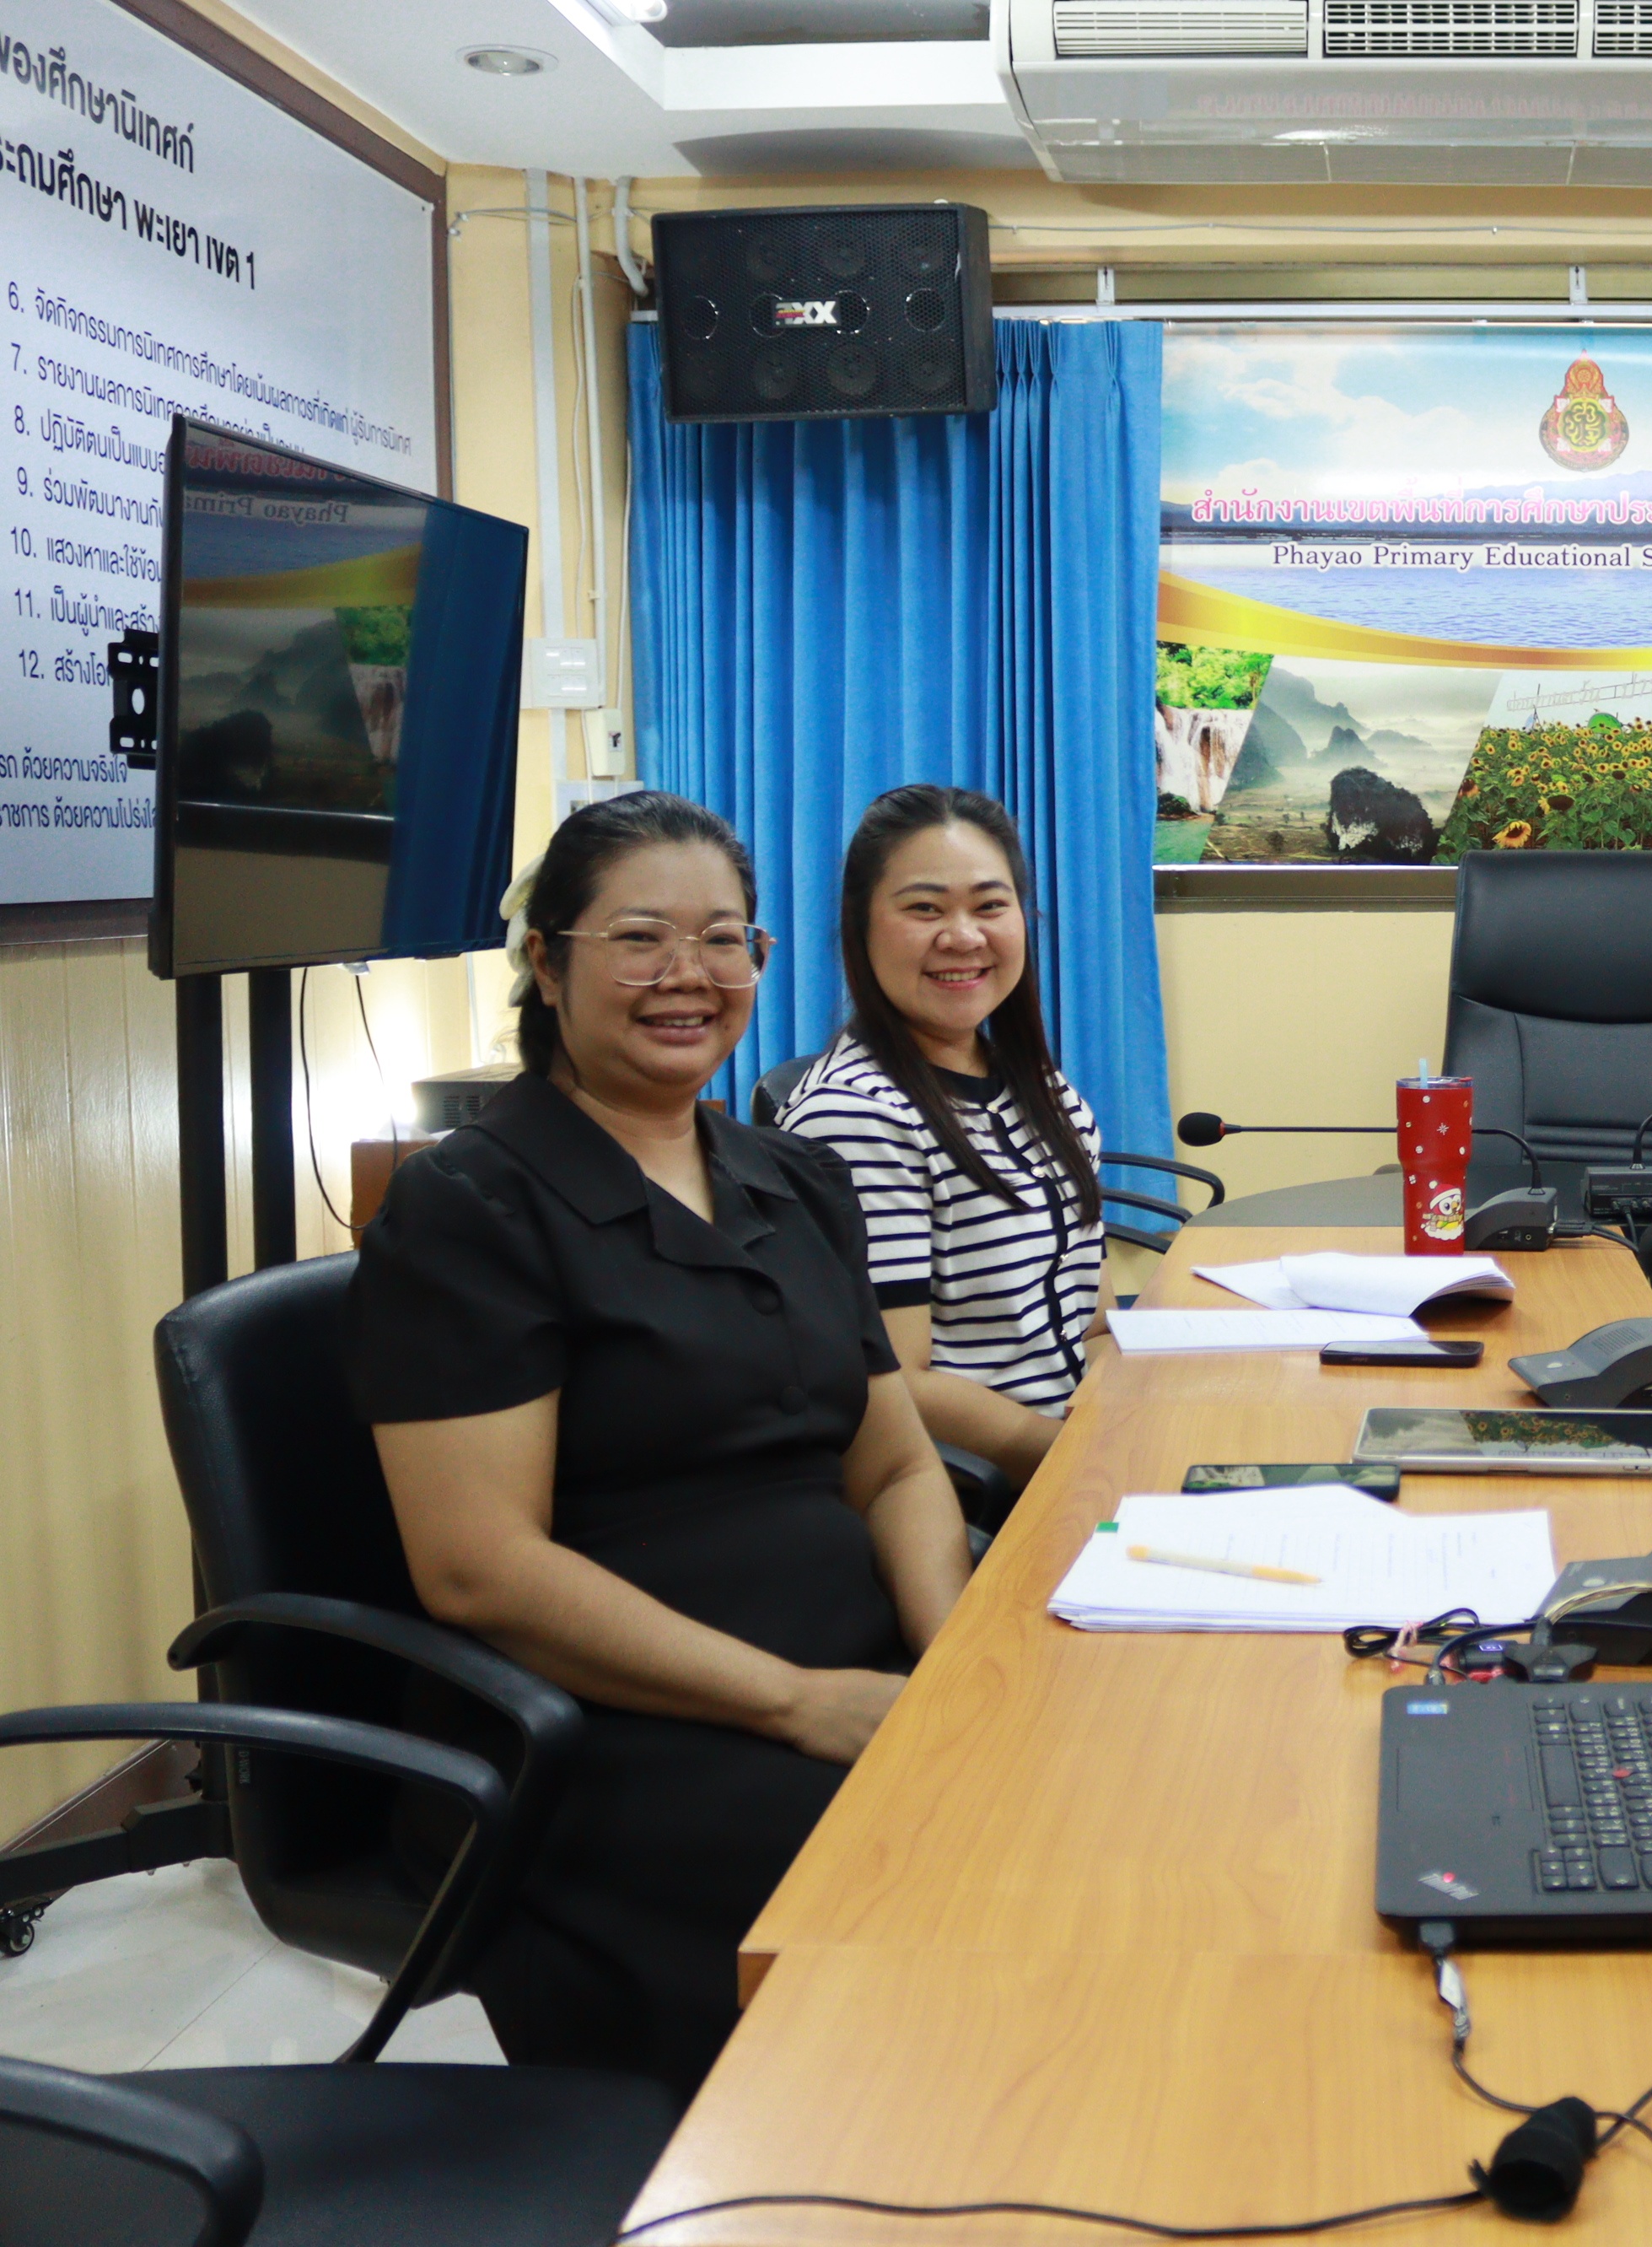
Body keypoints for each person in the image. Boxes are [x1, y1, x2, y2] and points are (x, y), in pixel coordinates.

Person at [347, 791, 972, 2096]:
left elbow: (898, 1463)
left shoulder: (792, 1179)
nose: (690, 974)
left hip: (851, 1675)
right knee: (943, 1880)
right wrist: (802, 1703)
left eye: (724, 939)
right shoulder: (472, 1207)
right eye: (640, 938)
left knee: (1075, 1797)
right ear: (548, 963)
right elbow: (478, 1569)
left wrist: (950, 1668)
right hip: (613, 1732)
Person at [779, 784, 1106, 1499]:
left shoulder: (1034, 1084)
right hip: (997, 1489)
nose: (963, 937)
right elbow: (897, 1380)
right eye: (925, 909)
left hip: (1082, 1439)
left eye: (989, 906)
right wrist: (1087, 1458)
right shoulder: (857, 1117)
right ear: (861, 928)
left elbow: (1091, 1313)